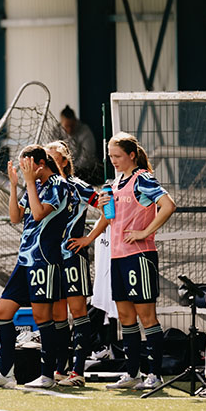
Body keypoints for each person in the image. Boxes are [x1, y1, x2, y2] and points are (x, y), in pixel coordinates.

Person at [71, 132, 176, 391]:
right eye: (110, 156)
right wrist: (89, 238)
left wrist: (144, 232)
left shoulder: (143, 179)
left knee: (146, 317)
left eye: (117, 155)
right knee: (126, 317)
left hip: (139, 257)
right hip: (117, 257)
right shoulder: (115, 183)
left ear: (131, 155)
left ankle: (155, 374)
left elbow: (168, 205)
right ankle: (132, 373)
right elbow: (109, 217)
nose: (113, 160)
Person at [0, 145, 69, 390]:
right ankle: (6, 373)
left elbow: (39, 213)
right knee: (2, 312)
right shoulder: (35, 186)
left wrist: (30, 182)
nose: (24, 171)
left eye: (26, 166)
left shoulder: (58, 185)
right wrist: (13, 186)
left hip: (44, 260)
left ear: (40, 164)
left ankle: (48, 375)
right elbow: (15, 217)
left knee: (42, 317)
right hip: (25, 261)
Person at [46, 141, 100, 387]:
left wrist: (88, 238)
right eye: (45, 158)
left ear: (65, 161)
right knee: (57, 314)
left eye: (53, 158)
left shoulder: (76, 186)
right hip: (51, 258)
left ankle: (78, 371)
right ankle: (61, 368)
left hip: (72, 256)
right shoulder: (45, 188)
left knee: (78, 312)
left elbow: (107, 208)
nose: (48, 162)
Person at [59, 106, 99, 182]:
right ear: (61, 124)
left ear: (75, 121)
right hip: (62, 168)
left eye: (71, 126)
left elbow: (87, 156)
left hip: (84, 170)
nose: (69, 129)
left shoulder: (85, 131)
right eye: (66, 126)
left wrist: (72, 169)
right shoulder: (56, 131)